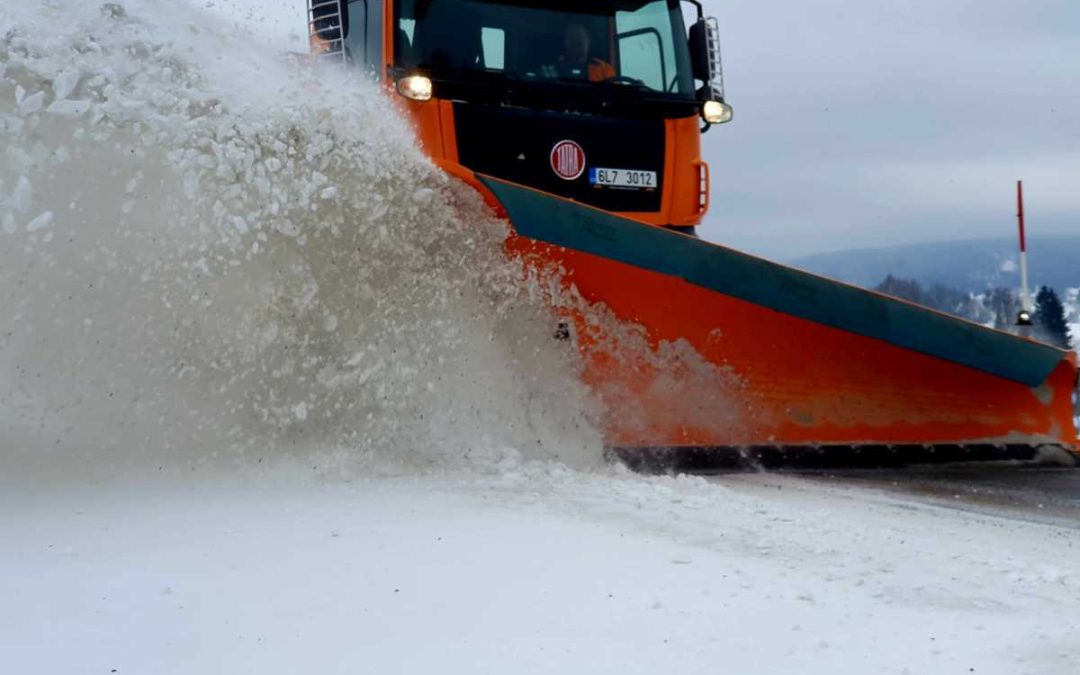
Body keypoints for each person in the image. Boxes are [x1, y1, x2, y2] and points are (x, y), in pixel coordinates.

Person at [543, 24, 615, 81]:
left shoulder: (604, 69)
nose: (575, 39)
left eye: (579, 35)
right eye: (571, 36)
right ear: (564, 42)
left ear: (588, 40)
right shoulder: (550, 70)